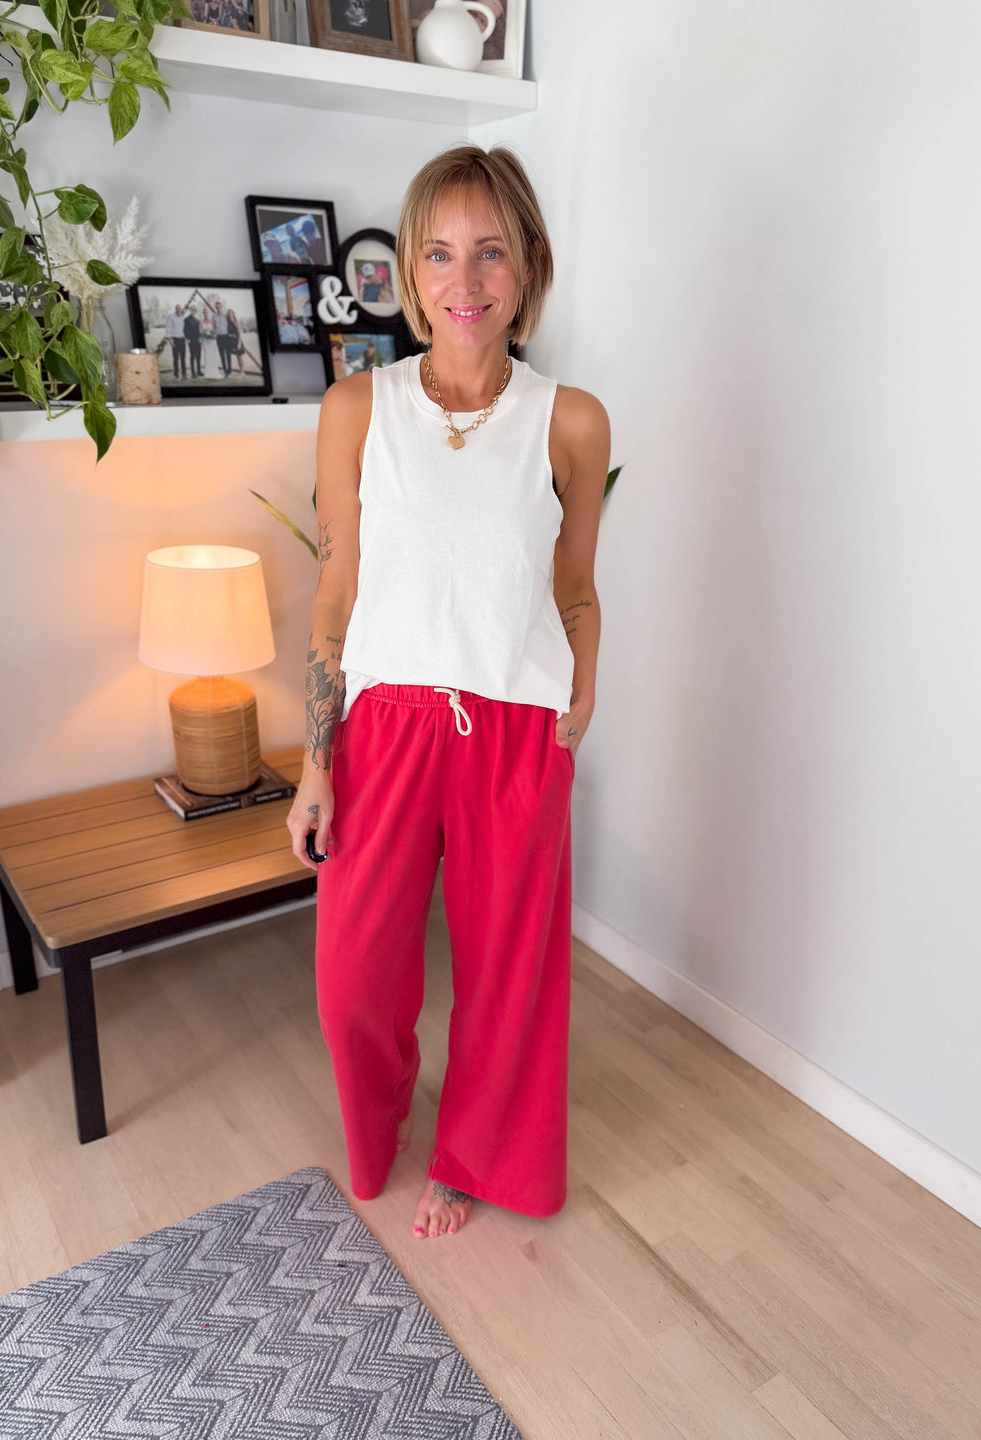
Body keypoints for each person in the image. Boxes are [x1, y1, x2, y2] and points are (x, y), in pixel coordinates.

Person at [286, 144, 608, 1242]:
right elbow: (338, 590)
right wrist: (317, 763)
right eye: (437, 254)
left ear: (529, 266)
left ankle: (473, 1157)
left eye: (489, 253)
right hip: (385, 725)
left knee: (508, 975)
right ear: (410, 274)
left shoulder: (570, 420)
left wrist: (581, 700)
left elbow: (576, 588)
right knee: (352, 979)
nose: (463, 281)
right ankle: (378, 1127)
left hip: (515, 728)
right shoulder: (356, 408)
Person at [164, 302, 186, 378]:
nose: (179, 310)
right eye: (177, 309)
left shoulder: (183, 317)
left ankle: (184, 374)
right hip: (175, 339)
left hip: (182, 339)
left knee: (183, 357)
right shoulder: (171, 317)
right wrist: (170, 339)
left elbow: (184, 329)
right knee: (176, 357)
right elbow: (168, 328)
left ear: (181, 310)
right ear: (175, 309)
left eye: (180, 309)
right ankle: (176, 374)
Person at [183, 306, 202, 377]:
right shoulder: (186, 319)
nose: (193, 311)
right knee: (193, 355)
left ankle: (199, 371)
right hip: (191, 340)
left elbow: (199, 330)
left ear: (195, 311)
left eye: (194, 310)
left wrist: (200, 338)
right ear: (190, 310)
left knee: (199, 355)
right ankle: (193, 372)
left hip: (198, 340)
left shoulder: (197, 320)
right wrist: (187, 338)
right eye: (191, 309)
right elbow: (185, 330)